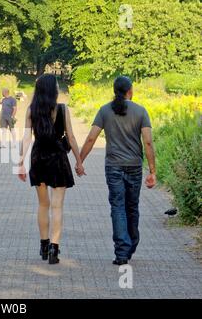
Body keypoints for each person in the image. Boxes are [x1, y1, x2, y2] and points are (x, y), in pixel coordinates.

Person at [79, 76, 156, 266]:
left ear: (115, 91)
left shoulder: (105, 110)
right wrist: (152, 170)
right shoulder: (141, 111)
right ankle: (131, 244)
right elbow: (147, 142)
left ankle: (122, 251)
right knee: (132, 206)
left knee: (117, 207)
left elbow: (91, 138)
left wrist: (80, 160)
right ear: (130, 90)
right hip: (135, 166)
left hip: (113, 166)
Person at [18, 74, 85, 265]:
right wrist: (79, 162)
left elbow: (26, 138)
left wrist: (20, 162)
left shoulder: (32, 110)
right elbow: (71, 138)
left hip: (39, 158)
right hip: (58, 158)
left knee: (43, 205)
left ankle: (44, 245)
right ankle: (55, 249)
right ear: (54, 90)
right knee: (57, 206)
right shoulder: (63, 110)